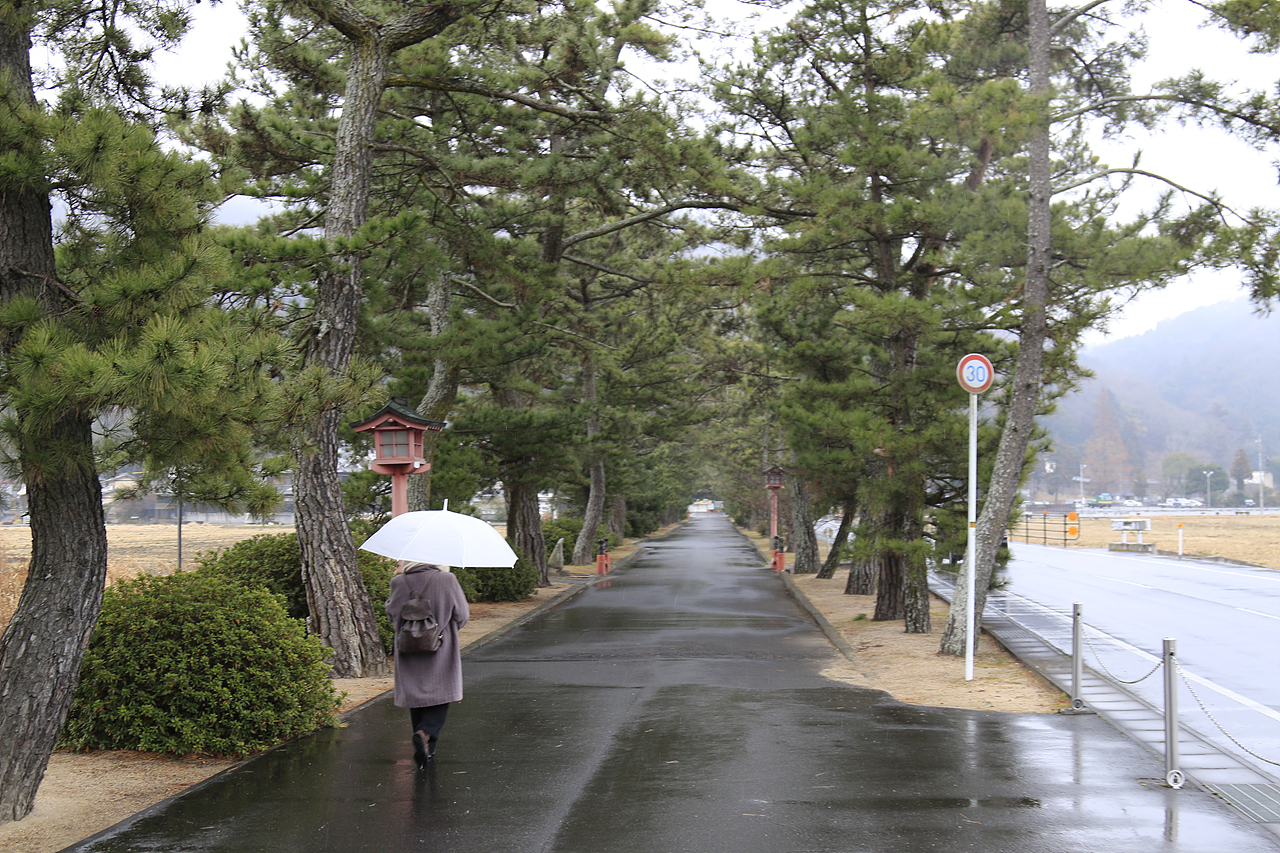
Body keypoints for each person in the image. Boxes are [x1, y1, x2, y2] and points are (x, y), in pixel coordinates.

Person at [385, 561, 469, 766]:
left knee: (416, 694)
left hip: (407, 647)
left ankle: (426, 749)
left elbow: (391, 614)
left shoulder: (398, 582)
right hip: (441, 645)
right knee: (442, 691)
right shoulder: (447, 579)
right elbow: (462, 615)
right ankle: (426, 733)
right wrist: (444, 632)